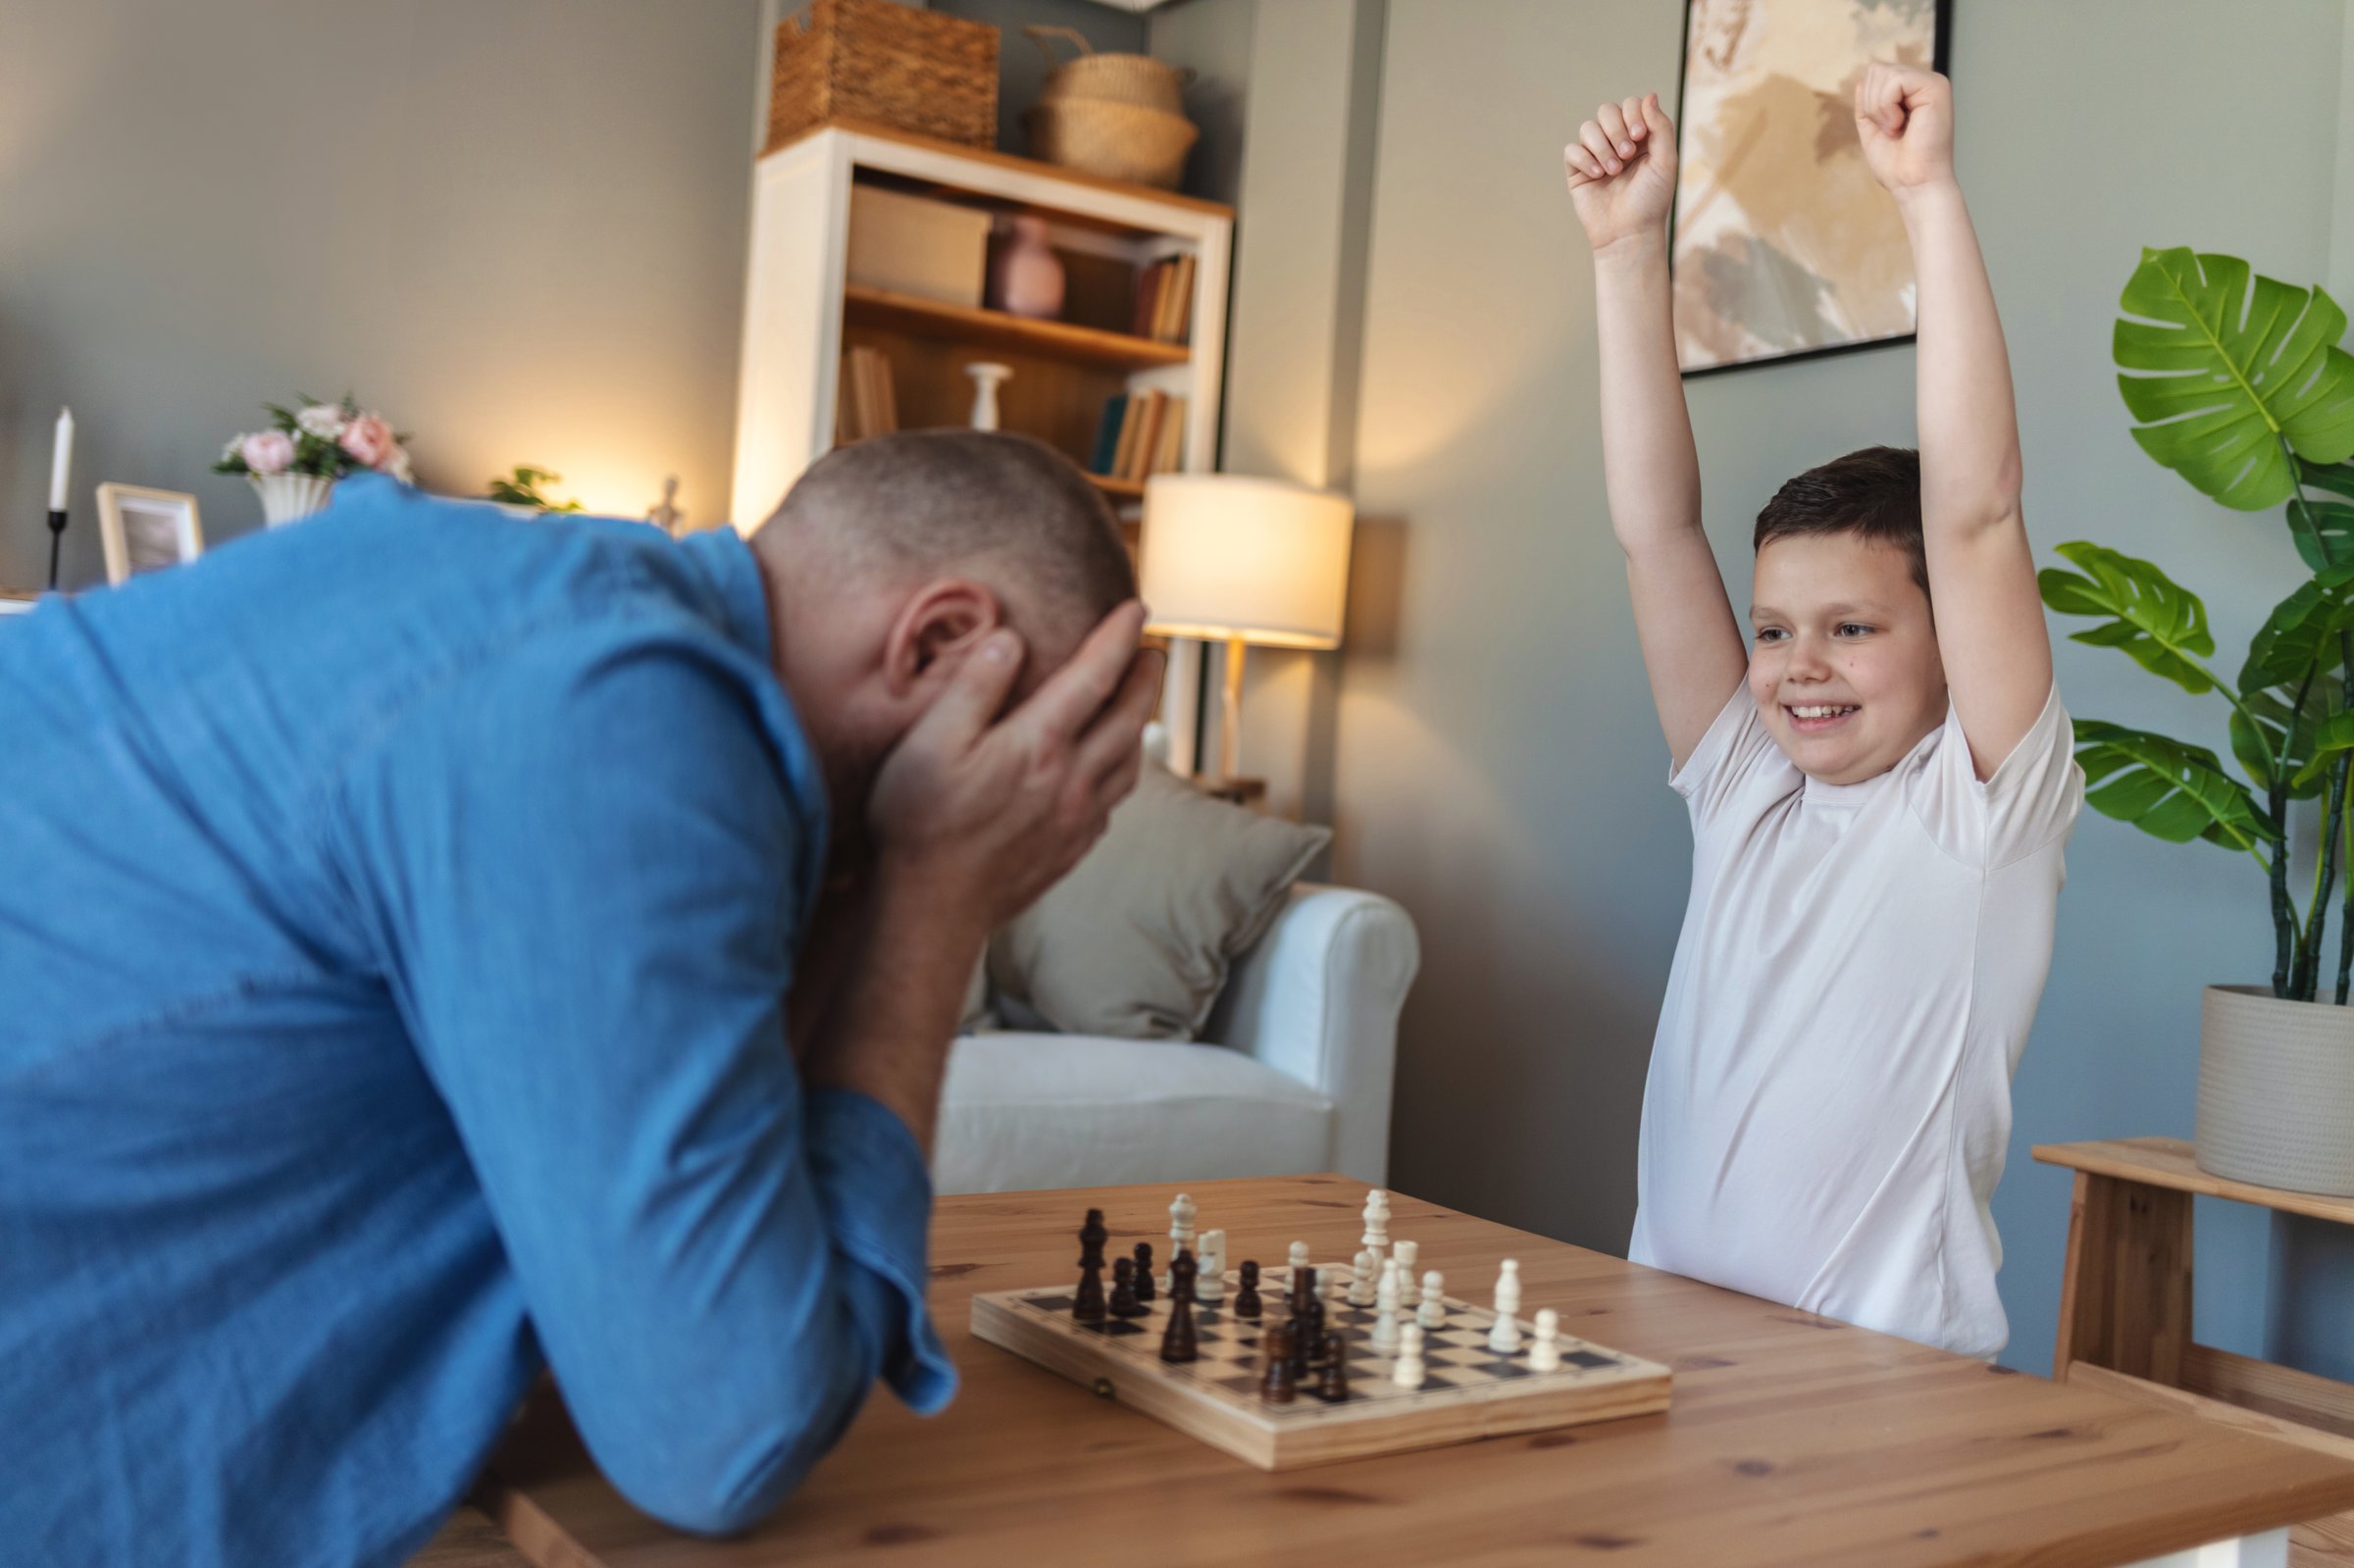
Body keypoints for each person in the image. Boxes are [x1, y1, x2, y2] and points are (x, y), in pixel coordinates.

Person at [0, 430, 1163, 1566]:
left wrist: (886, 874)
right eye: (1039, 758)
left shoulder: (570, 607)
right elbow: (717, 1434)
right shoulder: (617, 712)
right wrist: (940, 892)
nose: (1042, 820)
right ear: (946, 641)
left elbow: (701, 1247)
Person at [1561, 68, 2082, 1357]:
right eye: (1778, 628)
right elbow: (1654, 531)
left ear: (1949, 643)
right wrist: (1627, 253)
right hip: (1669, 1343)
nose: (1801, 666)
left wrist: (1926, 195)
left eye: (1853, 628)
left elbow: (1976, 510)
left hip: (1879, 1382)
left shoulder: (1981, 808)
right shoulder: (1748, 791)